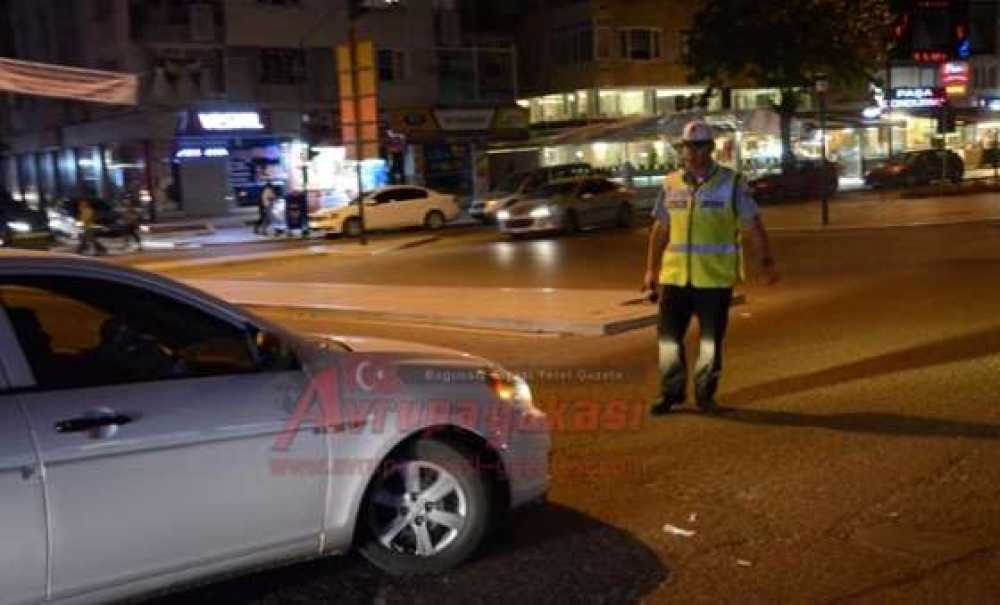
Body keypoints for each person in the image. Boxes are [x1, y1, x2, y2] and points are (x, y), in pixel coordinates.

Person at [642, 120, 778, 415]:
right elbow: (660, 229)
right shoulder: (671, 183)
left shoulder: (732, 183)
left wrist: (766, 260)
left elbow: (753, 224)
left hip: (714, 280)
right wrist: (651, 270)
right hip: (675, 278)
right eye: (688, 147)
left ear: (711, 148)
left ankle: (705, 395)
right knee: (668, 340)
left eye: (699, 147)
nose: (692, 153)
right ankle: (671, 393)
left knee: (709, 343)